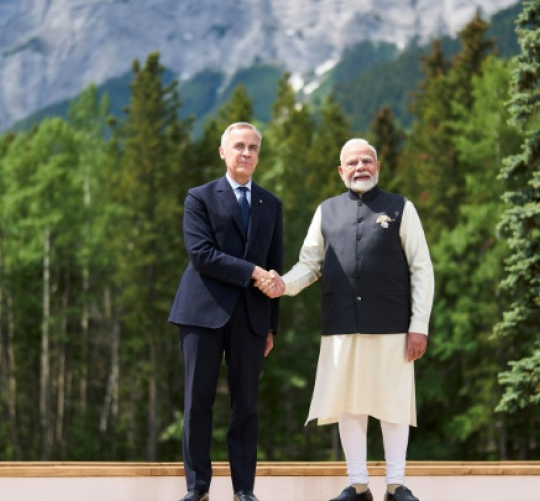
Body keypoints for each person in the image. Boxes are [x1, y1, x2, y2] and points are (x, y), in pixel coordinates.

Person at [259, 138, 434, 501]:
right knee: (348, 405)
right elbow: (310, 264)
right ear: (341, 171)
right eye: (352, 162)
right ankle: (358, 485)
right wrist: (283, 285)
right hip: (340, 324)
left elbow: (422, 268)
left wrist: (419, 325)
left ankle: (396, 485)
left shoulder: (402, 207)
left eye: (367, 161)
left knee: (393, 404)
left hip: (392, 324)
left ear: (378, 166)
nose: (360, 167)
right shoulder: (326, 211)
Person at [168, 122, 284, 501]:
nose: (246, 153)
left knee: (246, 406)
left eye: (253, 147)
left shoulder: (271, 204)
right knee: (197, 402)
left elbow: (275, 268)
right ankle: (197, 487)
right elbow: (202, 254)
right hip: (201, 313)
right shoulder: (199, 197)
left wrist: (271, 326)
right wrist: (252, 272)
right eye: (239, 146)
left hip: (251, 318)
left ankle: (244, 490)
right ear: (223, 152)